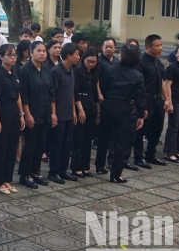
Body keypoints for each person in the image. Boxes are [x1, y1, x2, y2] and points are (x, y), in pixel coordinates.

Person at [97, 45, 146, 183]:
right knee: (120, 142)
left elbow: (104, 88)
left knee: (104, 137)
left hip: (108, 105)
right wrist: (141, 115)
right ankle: (116, 174)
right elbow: (140, 98)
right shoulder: (137, 75)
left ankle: (100, 165)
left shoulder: (110, 70)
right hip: (124, 108)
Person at [17, 41, 52, 189]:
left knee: (40, 144)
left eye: (44, 51)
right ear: (31, 53)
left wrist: (52, 113)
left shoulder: (46, 69)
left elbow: (50, 92)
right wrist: (27, 114)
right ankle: (25, 175)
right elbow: (23, 95)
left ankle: (35, 172)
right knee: (30, 145)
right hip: (32, 112)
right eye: (39, 51)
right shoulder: (24, 70)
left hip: (45, 113)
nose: (42, 53)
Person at [0, 44, 25, 194]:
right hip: (2, 110)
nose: (13, 58)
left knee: (12, 146)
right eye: (9, 55)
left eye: (14, 55)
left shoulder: (15, 72)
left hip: (14, 111)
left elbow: (18, 95)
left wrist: (21, 114)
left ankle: (6, 179)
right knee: (1, 147)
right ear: (1, 57)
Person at [47, 43, 80, 184]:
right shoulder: (56, 71)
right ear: (68, 55)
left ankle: (63, 170)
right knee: (57, 144)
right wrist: (53, 113)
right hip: (58, 114)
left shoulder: (71, 70)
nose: (78, 57)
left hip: (68, 113)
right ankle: (53, 172)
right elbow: (52, 94)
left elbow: (71, 93)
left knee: (67, 144)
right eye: (76, 54)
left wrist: (74, 111)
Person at [139, 34, 171, 167]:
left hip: (158, 100)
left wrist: (166, 99)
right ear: (148, 47)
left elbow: (162, 82)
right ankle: (138, 157)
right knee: (142, 129)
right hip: (146, 99)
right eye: (157, 46)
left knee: (157, 128)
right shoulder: (141, 62)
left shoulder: (158, 62)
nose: (160, 48)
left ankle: (151, 155)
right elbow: (139, 85)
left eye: (161, 45)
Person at [72, 49, 100, 178]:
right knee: (79, 138)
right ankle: (76, 166)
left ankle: (85, 166)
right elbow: (75, 92)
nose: (91, 64)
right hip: (81, 104)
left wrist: (98, 110)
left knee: (88, 138)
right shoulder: (78, 72)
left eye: (94, 62)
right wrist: (80, 110)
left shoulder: (94, 73)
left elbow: (95, 92)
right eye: (89, 61)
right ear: (84, 59)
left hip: (91, 105)